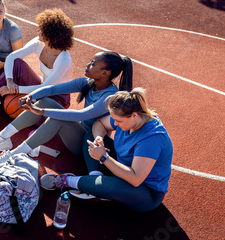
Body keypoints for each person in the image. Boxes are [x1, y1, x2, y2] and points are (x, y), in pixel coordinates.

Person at [0, 51, 133, 170]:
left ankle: (13, 155)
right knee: (45, 101)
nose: (87, 64)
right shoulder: (87, 83)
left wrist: (42, 112)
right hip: (76, 133)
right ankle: (3, 138)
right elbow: (52, 89)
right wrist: (31, 96)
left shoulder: (110, 96)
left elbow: (82, 114)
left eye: (92, 64)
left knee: (56, 117)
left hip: (89, 145)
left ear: (105, 73)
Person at [41, 88, 173, 212]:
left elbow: (135, 179)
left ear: (134, 115)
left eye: (118, 121)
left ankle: (68, 181)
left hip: (145, 192)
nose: (115, 124)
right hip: (123, 167)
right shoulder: (128, 116)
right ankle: (95, 180)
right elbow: (100, 123)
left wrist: (104, 157)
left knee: (113, 186)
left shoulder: (152, 139)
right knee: (90, 135)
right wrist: (99, 138)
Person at [0, 8, 73, 112]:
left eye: (42, 29)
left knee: (34, 118)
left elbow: (45, 88)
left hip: (57, 99)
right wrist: (9, 81)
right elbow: (11, 57)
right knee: (17, 64)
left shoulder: (64, 60)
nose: (38, 31)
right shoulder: (38, 43)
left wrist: (16, 89)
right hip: (41, 88)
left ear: (51, 35)